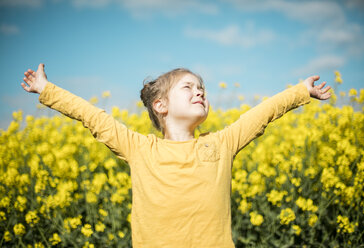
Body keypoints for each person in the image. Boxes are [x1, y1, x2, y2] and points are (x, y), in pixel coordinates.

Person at [21, 63, 331, 248]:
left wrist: (300, 92)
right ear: (161, 105)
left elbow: (260, 115)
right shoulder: (140, 149)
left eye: (202, 88)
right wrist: (47, 90)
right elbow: (94, 118)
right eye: (188, 87)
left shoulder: (221, 145)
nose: (200, 92)